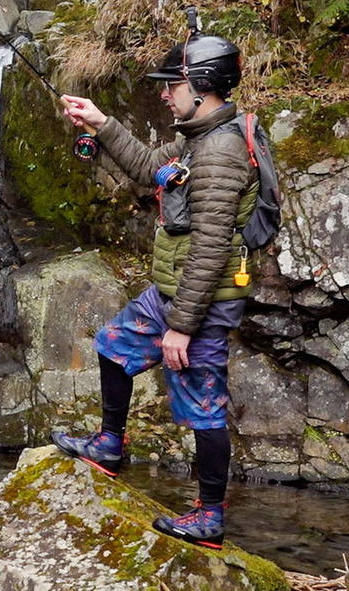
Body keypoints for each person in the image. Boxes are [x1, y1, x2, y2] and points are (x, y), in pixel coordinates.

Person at [53, 28, 258, 550]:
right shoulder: (198, 140)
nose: (165, 94)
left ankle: (209, 516)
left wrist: (182, 328)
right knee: (113, 347)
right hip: (172, 294)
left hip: (201, 307)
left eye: (173, 85)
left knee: (204, 407)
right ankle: (108, 447)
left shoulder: (220, 153)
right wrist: (100, 124)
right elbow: (149, 169)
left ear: (202, 85)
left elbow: (212, 246)